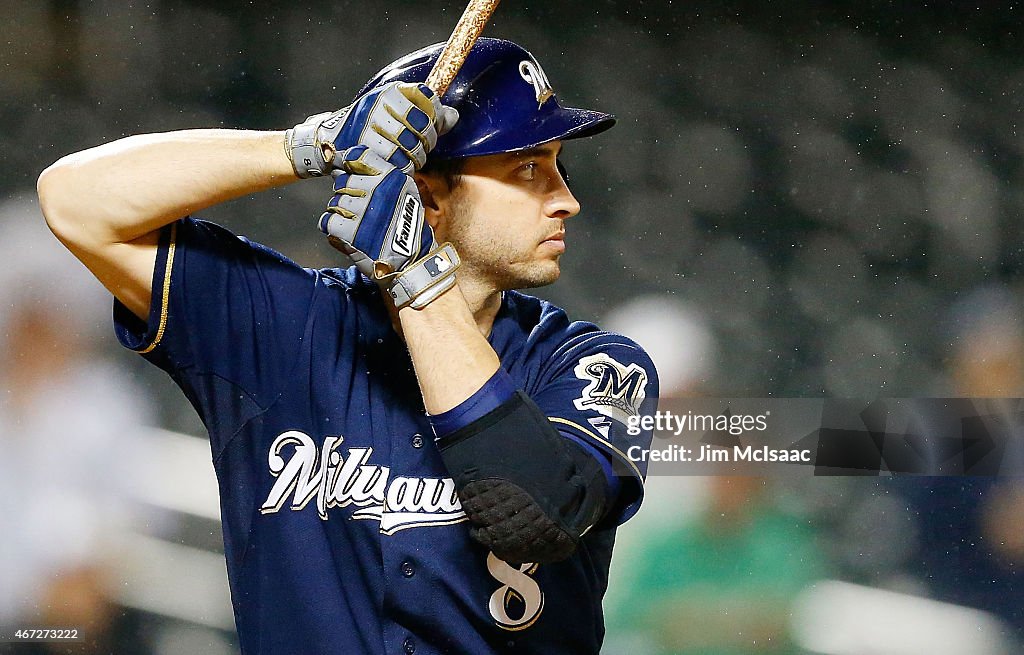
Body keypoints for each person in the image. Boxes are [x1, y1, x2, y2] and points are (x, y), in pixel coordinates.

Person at [38, 38, 658, 654]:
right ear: (427, 195)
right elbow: (73, 202)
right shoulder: (285, 324)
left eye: (558, 166)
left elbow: (530, 514)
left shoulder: (595, 365)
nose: (566, 200)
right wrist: (317, 144)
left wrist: (415, 281)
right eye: (528, 168)